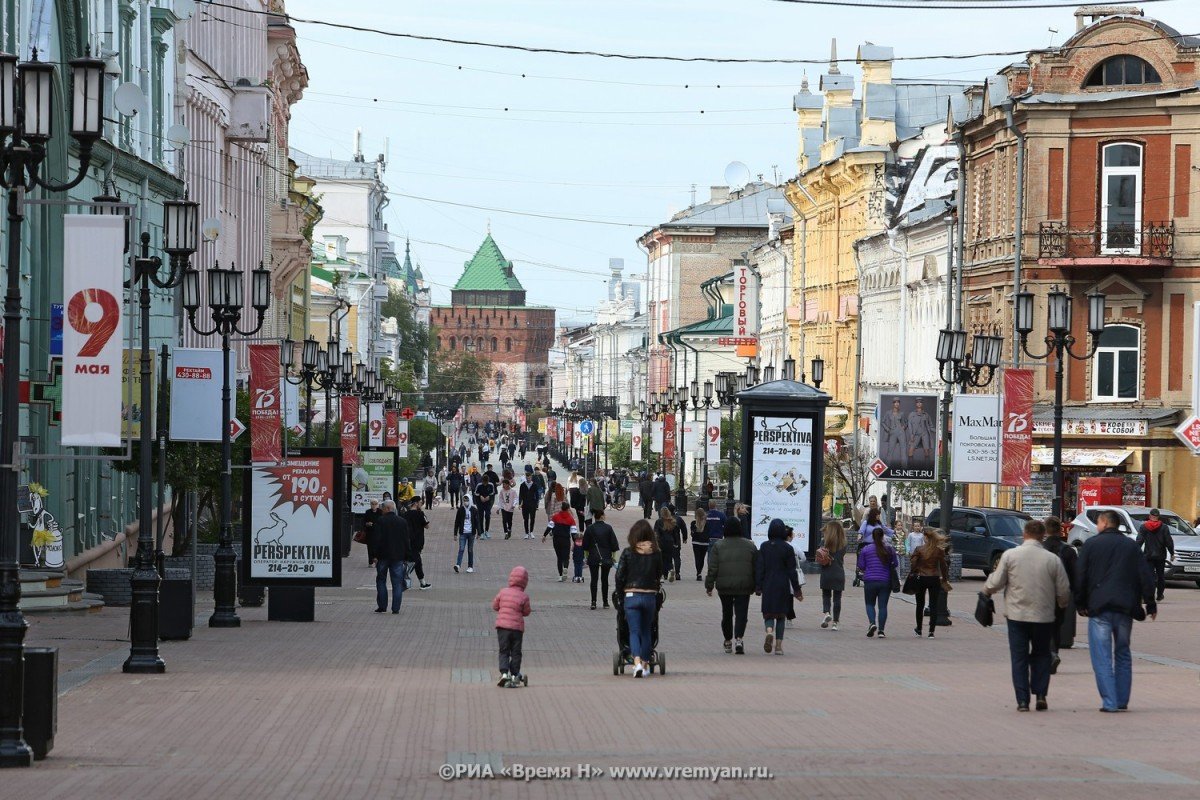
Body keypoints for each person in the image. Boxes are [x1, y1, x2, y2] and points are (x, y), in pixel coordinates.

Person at [1075, 508, 1157, 713]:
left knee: (1102, 656)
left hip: (1099, 608)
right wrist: (1150, 603)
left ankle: (1109, 701)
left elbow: (1081, 577)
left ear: (1103, 523)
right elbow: (1145, 575)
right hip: (1125, 608)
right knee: (1122, 653)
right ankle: (1121, 699)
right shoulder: (1130, 546)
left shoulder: (1091, 545)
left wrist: (1080, 603)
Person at [984, 520, 1070, 712]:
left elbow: (996, 581)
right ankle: (1040, 695)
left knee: (1019, 657)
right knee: (1042, 655)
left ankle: (1022, 700)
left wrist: (986, 591)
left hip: (1017, 615)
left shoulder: (1010, 555)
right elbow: (1063, 590)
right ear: (1043, 536)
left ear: (1024, 535)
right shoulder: (1052, 559)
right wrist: (1061, 605)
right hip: (1044, 616)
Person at [614, 520, 663, 678]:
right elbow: (659, 573)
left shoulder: (628, 552)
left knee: (633, 631)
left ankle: (635, 663)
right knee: (647, 630)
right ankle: (645, 663)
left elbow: (619, 575)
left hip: (631, 596)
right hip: (649, 595)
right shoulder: (656, 553)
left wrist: (621, 594)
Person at [705, 518, 757, 655]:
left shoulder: (718, 546)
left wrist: (709, 585)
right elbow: (756, 567)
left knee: (726, 614)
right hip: (744, 585)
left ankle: (727, 641)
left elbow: (713, 568)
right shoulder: (750, 546)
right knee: (741, 614)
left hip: (724, 586)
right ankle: (739, 638)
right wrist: (757, 585)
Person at [756, 519, 802, 654]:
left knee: (768, 614)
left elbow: (760, 568)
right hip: (783, 584)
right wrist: (797, 589)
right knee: (781, 615)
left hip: (768, 584)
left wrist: (758, 586)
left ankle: (769, 632)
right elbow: (792, 571)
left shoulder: (764, 547)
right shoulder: (788, 548)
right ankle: (779, 647)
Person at [1043, 516, 1077, 673]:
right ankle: (1054, 652)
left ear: (1045, 530)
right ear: (1060, 530)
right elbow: (1075, 576)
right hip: (1061, 594)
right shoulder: (1068, 550)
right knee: (1056, 626)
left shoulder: (1040, 548)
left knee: (1042, 626)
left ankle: (1047, 654)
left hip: (1042, 593)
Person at [369, 500, 411, 614]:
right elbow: (406, 540)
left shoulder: (380, 521)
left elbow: (376, 539)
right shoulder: (402, 522)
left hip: (382, 556)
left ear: (387, 508)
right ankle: (396, 608)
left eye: (383, 508)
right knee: (397, 582)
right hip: (398, 556)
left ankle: (382, 606)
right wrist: (407, 555)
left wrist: (374, 555)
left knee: (381, 580)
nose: (381, 510)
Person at [492, 565, 532, 688]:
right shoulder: (524, 596)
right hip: (516, 629)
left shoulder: (503, 592)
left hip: (502, 628)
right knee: (516, 652)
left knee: (504, 651)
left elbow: (495, 606)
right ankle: (515, 673)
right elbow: (526, 612)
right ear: (525, 582)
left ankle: (504, 673)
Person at [857, 524, 898, 638]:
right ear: (882, 536)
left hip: (870, 580)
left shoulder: (866, 549)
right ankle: (881, 630)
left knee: (870, 604)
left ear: (873, 537)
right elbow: (895, 563)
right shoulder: (889, 549)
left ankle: (872, 623)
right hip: (885, 581)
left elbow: (861, 565)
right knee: (883, 606)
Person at [910, 528, 949, 638]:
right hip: (934, 577)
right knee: (933, 604)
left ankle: (919, 629)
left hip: (921, 578)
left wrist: (914, 572)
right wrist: (944, 578)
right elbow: (943, 566)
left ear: (925, 538)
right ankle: (931, 631)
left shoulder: (919, 549)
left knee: (920, 604)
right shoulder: (938, 550)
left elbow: (913, 563)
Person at [583, 508, 620, 610]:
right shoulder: (608, 528)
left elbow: (585, 545)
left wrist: (586, 556)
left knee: (594, 579)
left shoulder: (590, 528)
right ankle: (605, 602)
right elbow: (614, 545)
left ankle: (593, 602)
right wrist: (613, 557)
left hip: (593, 557)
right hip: (606, 557)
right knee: (605, 579)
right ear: (602, 516)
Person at [1135, 508, 1174, 602]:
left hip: (1148, 555)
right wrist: (1172, 553)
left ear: (1150, 516)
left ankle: (1148, 596)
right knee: (1160, 576)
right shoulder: (1164, 527)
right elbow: (1169, 542)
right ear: (1158, 517)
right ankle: (1160, 595)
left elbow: (1139, 541)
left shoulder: (1144, 527)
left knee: (1149, 576)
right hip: (1160, 556)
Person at [818, 521, 847, 631]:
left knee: (826, 595)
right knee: (837, 598)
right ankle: (835, 623)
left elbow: (819, 556)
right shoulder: (843, 544)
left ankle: (826, 613)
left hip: (826, 572)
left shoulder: (824, 542)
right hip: (839, 572)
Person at [404, 497, 432, 590]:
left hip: (407, 541)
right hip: (417, 541)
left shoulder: (405, 514)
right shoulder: (420, 514)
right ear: (415, 503)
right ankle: (404, 578)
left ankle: (422, 582)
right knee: (415, 561)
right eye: (420, 502)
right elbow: (427, 526)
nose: (421, 504)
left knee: (415, 561)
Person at [547, 502, 577, 582]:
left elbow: (550, 526)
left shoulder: (555, 516)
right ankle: (565, 568)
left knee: (559, 557)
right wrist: (575, 542)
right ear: (568, 509)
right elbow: (573, 532)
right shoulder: (571, 519)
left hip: (556, 539)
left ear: (561, 508)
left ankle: (560, 575)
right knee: (566, 557)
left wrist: (544, 535)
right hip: (566, 539)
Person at [453, 496, 482, 574]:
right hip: (463, 532)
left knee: (470, 550)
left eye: (467, 500)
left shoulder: (474, 510)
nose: (465, 501)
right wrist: (455, 533)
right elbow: (457, 522)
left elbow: (477, 522)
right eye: (464, 500)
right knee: (461, 549)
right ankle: (458, 565)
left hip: (471, 533)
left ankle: (470, 566)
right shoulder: (460, 510)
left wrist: (479, 532)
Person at [654, 507, 682, 583]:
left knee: (661, 559)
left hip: (661, 542)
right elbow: (675, 534)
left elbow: (656, 533)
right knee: (669, 558)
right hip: (670, 542)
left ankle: (663, 575)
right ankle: (671, 569)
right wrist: (676, 543)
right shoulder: (672, 521)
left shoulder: (659, 521)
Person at [689, 506, 710, 580]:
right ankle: (700, 571)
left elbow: (692, 534)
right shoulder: (707, 523)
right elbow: (709, 533)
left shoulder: (693, 523)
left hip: (696, 543)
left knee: (697, 558)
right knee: (702, 558)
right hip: (705, 543)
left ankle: (698, 573)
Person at [474, 474, 496, 539]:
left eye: (486, 482)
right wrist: (480, 496)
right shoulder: (479, 485)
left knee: (487, 516)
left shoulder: (491, 485)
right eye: (484, 482)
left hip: (488, 503)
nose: (485, 484)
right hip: (480, 503)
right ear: (482, 481)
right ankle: (481, 532)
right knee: (480, 517)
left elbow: (493, 493)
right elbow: (475, 493)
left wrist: (489, 497)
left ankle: (486, 530)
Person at [518, 472, 539, 539]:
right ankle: (526, 533)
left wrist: (536, 504)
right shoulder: (522, 485)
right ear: (525, 478)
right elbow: (520, 495)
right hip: (525, 504)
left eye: (529, 478)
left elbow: (537, 495)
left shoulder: (534, 485)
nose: (528, 479)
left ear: (531, 477)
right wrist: (520, 504)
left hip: (532, 504)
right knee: (525, 519)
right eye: (527, 478)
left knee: (532, 518)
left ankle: (531, 532)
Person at [361, 499, 381, 567]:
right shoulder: (368, 512)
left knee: (378, 547)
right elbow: (363, 522)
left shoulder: (380, 512)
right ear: (370, 504)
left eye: (375, 504)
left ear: (378, 504)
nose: (374, 505)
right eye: (372, 504)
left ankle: (377, 559)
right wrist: (367, 524)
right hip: (370, 532)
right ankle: (370, 562)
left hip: (379, 532)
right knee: (370, 547)